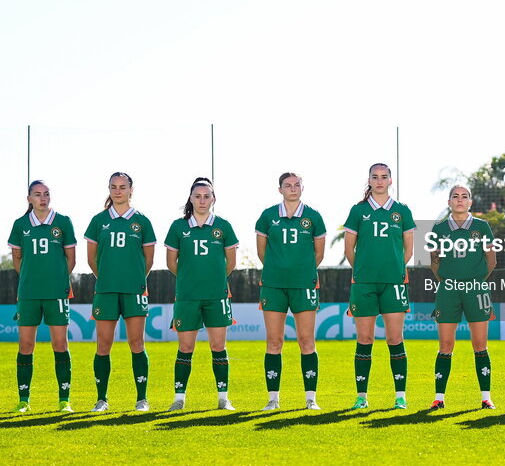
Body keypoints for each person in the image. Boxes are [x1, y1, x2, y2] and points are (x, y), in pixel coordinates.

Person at [164, 178, 240, 412]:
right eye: (197, 196)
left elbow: (231, 263)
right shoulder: (178, 227)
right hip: (187, 297)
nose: (202, 201)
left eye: (207, 196)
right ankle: (178, 399)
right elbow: (171, 263)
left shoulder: (223, 226)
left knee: (218, 346)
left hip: (216, 296)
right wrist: (190, 280)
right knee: (186, 347)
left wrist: (214, 280)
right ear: (191, 198)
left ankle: (223, 399)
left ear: (213, 199)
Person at [343, 163, 415, 409]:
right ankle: (361, 397)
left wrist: (394, 269)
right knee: (365, 338)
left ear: (390, 180)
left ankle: (400, 396)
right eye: (375, 177)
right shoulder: (358, 210)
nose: (380, 181)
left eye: (384, 177)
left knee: (395, 338)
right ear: (369, 181)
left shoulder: (402, 211)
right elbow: (349, 249)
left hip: (393, 282)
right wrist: (363, 271)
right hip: (364, 283)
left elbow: (408, 250)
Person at [83, 172, 156, 412]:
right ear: (109, 189)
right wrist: (107, 278)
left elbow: (148, 260)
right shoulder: (98, 221)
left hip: (134, 290)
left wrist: (134, 279)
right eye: (113, 187)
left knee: (136, 343)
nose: (118, 191)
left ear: (131, 190)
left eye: (123, 187)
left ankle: (142, 399)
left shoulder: (142, 221)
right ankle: (101, 399)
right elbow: (91, 259)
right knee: (103, 344)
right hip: (106, 291)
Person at [255, 172, 327, 411]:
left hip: (304, 285)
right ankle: (273, 399)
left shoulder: (313, 216)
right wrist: (278, 270)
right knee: (274, 342)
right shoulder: (267, 216)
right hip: (273, 285)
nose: (293, 188)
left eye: (297, 185)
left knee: (306, 341)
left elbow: (319, 254)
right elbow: (262, 253)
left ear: (302, 188)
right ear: (280, 190)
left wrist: (301, 272)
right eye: (288, 185)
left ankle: (310, 399)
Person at [7, 180, 77, 413]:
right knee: (26, 345)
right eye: (37, 194)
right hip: (28, 294)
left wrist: (57, 280)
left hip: (56, 293)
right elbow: (17, 258)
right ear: (29, 199)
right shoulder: (20, 224)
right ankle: (24, 400)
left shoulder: (63, 222)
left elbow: (71, 259)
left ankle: (64, 400)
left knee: (60, 344)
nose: (42, 198)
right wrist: (31, 278)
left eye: (46, 194)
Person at [428, 185, 497, 410]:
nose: (460, 200)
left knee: (480, 344)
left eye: (464, 196)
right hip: (448, 290)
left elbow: (492, 260)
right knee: (446, 345)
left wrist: (475, 280)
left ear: (470, 202)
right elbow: (434, 261)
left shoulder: (481, 226)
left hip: (476, 289)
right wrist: (448, 282)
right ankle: (439, 398)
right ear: (449, 202)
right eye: (455, 196)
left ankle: (486, 398)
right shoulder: (438, 228)